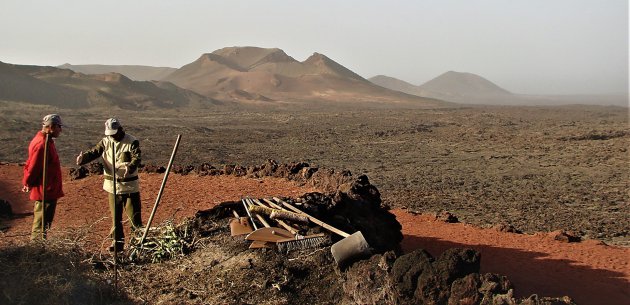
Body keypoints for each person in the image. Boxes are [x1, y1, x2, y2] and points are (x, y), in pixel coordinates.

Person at [76, 118, 142, 252]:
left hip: (129, 187)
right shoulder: (105, 142)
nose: (112, 136)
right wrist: (83, 159)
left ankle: (138, 244)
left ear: (120, 129)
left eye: (114, 133)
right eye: (110, 133)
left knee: (134, 218)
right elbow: (94, 152)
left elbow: (137, 158)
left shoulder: (131, 141)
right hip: (112, 187)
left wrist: (130, 167)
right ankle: (117, 244)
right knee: (115, 219)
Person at [22, 114, 65, 240]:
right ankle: (36, 254)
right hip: (45, 191)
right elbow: (33, 168)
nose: (60, 130)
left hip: (48, 189)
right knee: (41, 226)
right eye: (59, 127)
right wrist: (27, 183)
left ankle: (38, 252)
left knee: (43, 224)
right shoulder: (42, 144)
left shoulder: (46, 141)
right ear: (51, 127)